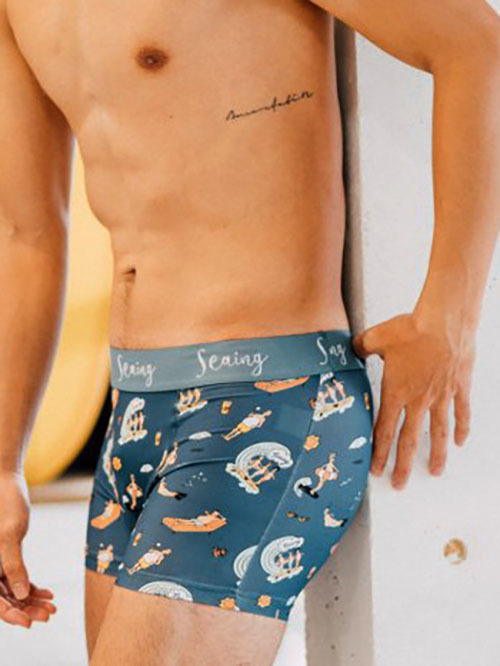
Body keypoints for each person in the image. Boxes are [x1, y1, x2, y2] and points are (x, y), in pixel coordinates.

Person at [0, 0, 499, 664]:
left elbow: (474, 44)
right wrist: (4, 463)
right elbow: (27, 233)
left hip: (265, 397)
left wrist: (448, 320)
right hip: (134, 410)